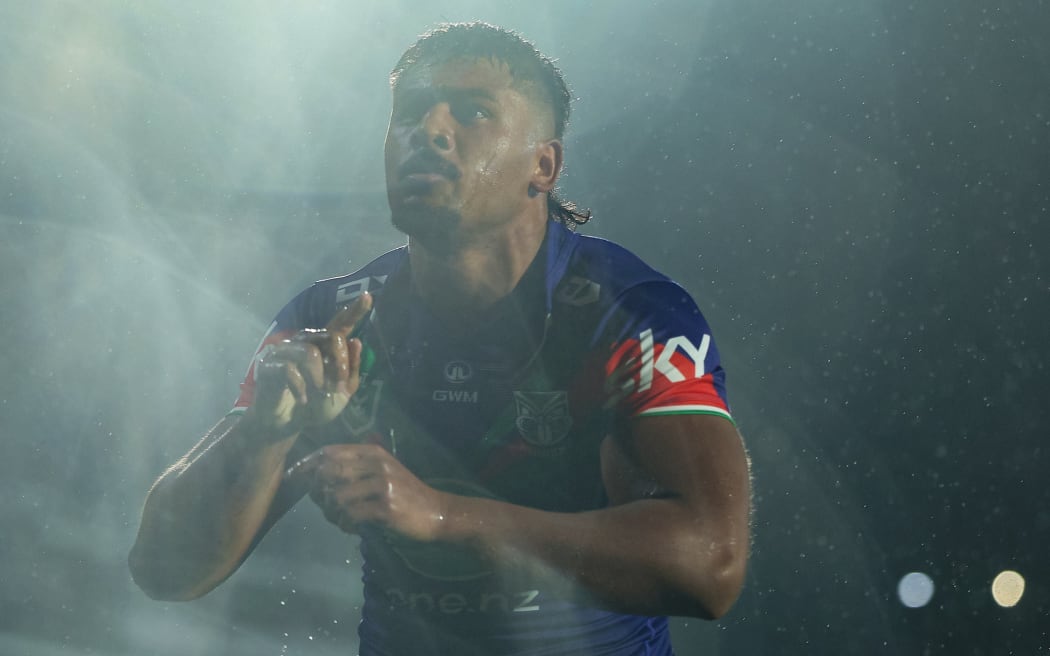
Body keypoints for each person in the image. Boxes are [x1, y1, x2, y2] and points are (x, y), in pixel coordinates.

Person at [128, 22, 751, 655]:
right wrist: (261, 434)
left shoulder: (625, 315)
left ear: (544, 164)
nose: (427, 132)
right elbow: (163, 571)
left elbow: (711, 568)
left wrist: (442, 516)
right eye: (410, 114)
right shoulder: (333, 322)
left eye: (473, 112)